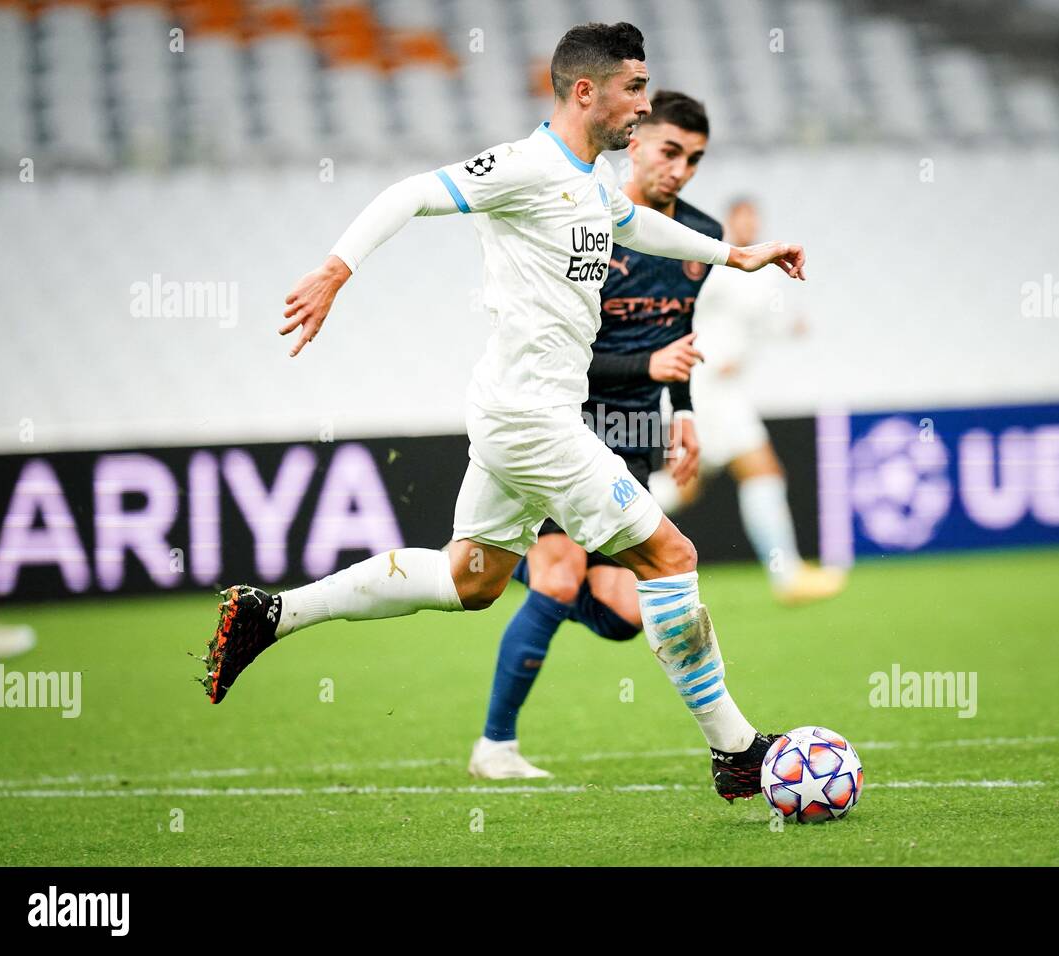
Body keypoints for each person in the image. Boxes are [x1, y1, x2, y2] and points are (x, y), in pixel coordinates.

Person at [200, 23, 807, 802]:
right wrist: (335, 270)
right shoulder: (524, 166)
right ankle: (737, 752)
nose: (643, 104)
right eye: (633, 89)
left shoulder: (588, 182)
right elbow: (413, 192)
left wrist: (737, 255)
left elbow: (632, 226)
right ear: (585, 91)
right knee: (672, 557)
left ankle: (271, 613)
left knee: (472, 579)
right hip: (534, 420)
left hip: (516, 411)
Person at [470, 90, 721, 779]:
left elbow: (677, 337)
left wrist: (685, 412)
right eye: (669, 151)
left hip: (634, 432)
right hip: (565, 425)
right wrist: (648, 362)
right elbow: (565, 345)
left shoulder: (696, 237)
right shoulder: (586, 224)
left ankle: (521, 559)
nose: (680, 170)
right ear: (635, 142)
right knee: (560, 577)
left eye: (694, 160)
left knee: (622, 613)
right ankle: (496, 746)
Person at [650, 199, 845, 606]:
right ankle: (786, 574)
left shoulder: (759, 275)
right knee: (762, 470)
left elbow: (763, 322)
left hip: (717, 389)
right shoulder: (713, 262)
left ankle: (599, 530)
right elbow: (681, 306)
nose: (748, 224)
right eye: (741, 217)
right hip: (707, 387)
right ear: (729, 221)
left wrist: (793, 325)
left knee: (683, 485)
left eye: (754, 217)